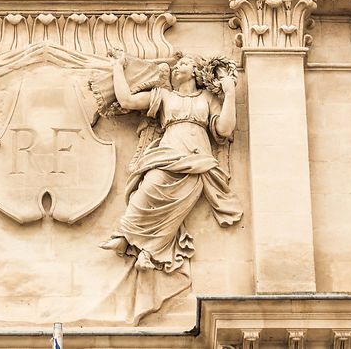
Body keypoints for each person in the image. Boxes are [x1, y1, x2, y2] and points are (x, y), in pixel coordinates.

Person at [99, 50, 243, 272]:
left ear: (195, 72)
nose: (177, 67)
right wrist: (118, 67)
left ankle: (148, 252)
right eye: (177, 65)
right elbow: (126, 100)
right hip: (168, 152)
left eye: (183, 63)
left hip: (197, 159)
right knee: (148, 187)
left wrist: (230, 92)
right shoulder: (165, 96)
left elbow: (224, 128)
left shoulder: (208, 99)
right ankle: (124, 234)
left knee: (177, 208)